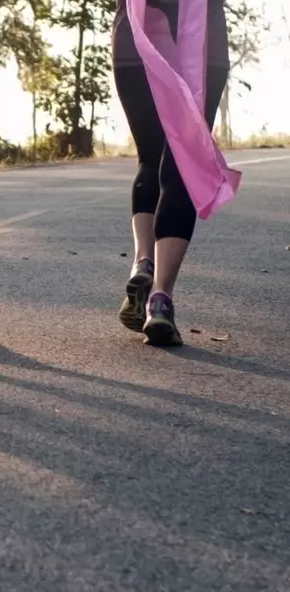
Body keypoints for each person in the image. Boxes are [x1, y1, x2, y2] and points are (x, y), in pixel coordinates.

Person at [112, 0, 229, 346]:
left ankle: (142, 262)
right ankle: (160, 298)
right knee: (181, 161)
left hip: (136, 34)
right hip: (202, 40)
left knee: (150, 156)